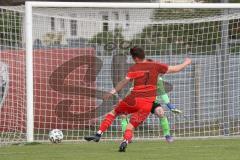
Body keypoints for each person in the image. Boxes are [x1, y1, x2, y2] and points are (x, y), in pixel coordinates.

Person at [84, 46, 191, 152]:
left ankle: (98, 134)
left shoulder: (134, 68)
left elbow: (123, 82)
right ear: (144, 55)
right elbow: (177, 69)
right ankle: (125, 141)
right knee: (131, 125)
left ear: (135, 58)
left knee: (114, 112)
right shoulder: (157, 66)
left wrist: (112, 92)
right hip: (146, 103)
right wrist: (186, 62)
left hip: (133, 99)